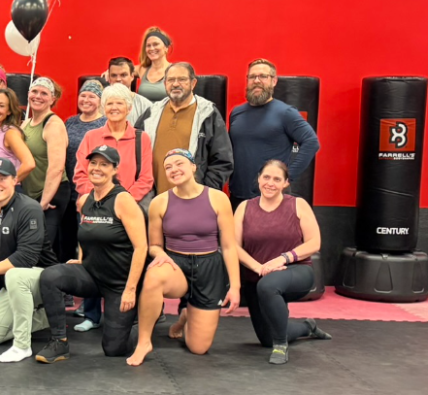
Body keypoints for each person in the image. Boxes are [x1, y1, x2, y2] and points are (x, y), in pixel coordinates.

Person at [126, 148, 240, 367]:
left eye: (179, 163)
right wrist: (161, 254)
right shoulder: (159, 202)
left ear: (193, 167)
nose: (174, 169)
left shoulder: (218, 198)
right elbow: (154, 246)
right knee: (153, 276)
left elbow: (228, 246)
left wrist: (234, 286)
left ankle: (186, 316)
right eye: (168, 167)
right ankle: (144, 342)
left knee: (198, 348)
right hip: (176, 264)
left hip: (209, 267)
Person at [35, 145, 148, 362]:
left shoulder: (123, 200)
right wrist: (81, 258)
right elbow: (87, 233)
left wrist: (131, 289)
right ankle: (59, 342)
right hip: (92, 274)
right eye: (93, 163)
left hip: (119, 283)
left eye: (104, 164)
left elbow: (141, 247)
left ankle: (138, 324)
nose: (97, 168)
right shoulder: (85, 200)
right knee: (50, 276)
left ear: (115, 169)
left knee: (114, 349)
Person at [235, 160, 331, 364]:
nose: (270, 183)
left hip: (296, 272)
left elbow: (314, 242)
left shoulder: (297, 205)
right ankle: (307, 327)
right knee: (266, 339)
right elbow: (233, 246)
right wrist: (259, 268)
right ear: (259, 179)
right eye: (266, 177)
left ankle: (281, 345)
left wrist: (283, 258)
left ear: (285, 183)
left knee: (268, 286)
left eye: (277, 179)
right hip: (257, 277)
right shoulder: (244, 207)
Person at [0, 158, 57, 363]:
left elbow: (26, 257)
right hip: (12, 283)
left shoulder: (29, 208)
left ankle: (22, 346)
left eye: (2, 178)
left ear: (15, 180)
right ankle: (49, 316)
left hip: (45, 278)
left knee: (15, 274)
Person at [229, 59, 320, 209]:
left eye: (263, 76)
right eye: (252, 77)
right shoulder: (237, 113)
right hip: (238, 195)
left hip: (272, 196)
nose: (256, 81)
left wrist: (287, 176)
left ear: (274, 81)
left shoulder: (286, 113)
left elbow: (311, 141)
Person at [137, 62, 234, 196]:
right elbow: (134, 151)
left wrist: (203, 193)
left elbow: (222, 161)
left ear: (193, 83)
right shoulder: (151, 113)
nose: (176, 84)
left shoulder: (208, 114)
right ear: (165, 84)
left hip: (193, 199)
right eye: (171, 80)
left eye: (182, 79)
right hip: (154, 200)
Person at [74, 84, 154, 207]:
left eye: (120, 103)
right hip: (95, 207)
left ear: (129, 108)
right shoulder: (91, 136)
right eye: (109, 103)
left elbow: (146, 178)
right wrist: (100, 199)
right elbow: (81, 175)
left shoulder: (142, 138)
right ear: (103, 108)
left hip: (128, 207)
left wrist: (123, 201)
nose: (114, 108)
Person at [21, 77, 70, 257]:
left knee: (45, 246)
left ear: (52, 99)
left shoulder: (53, 124)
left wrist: (43, 202)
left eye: (44, 93)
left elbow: (56, 168)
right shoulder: (25, 124)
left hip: (52, 194)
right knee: (31, 244)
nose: (38, 96)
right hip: (31, 195)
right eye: (34, 91)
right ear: (28, 94)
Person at [64, 80, 107, 260]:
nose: (86, 100)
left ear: (100, 100)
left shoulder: (105, 123)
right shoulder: (70, 122)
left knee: (87, 238)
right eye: (83, 95)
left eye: (92, 96)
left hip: (91, 191)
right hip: (68, 189)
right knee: (67, 238)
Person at [0, 88, 36, 184]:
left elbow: (29, 163)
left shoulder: (10, 133)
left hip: (8, 191)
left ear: (9, 111)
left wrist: (9, 183)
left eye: (1, 106)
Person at [105, 57, 152, 124]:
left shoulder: (145, 105)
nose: (118, 79)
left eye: (123, 75)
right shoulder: (100, 105)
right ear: (109, 78)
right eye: (114, 75)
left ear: (132, 76)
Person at [135, 27, 173, 102]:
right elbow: (120, 70)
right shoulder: (142, 69)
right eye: (148, 45)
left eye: (155, 44)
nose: (152, 48)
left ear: (166, 48)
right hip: (144, 110)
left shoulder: (174, 70)